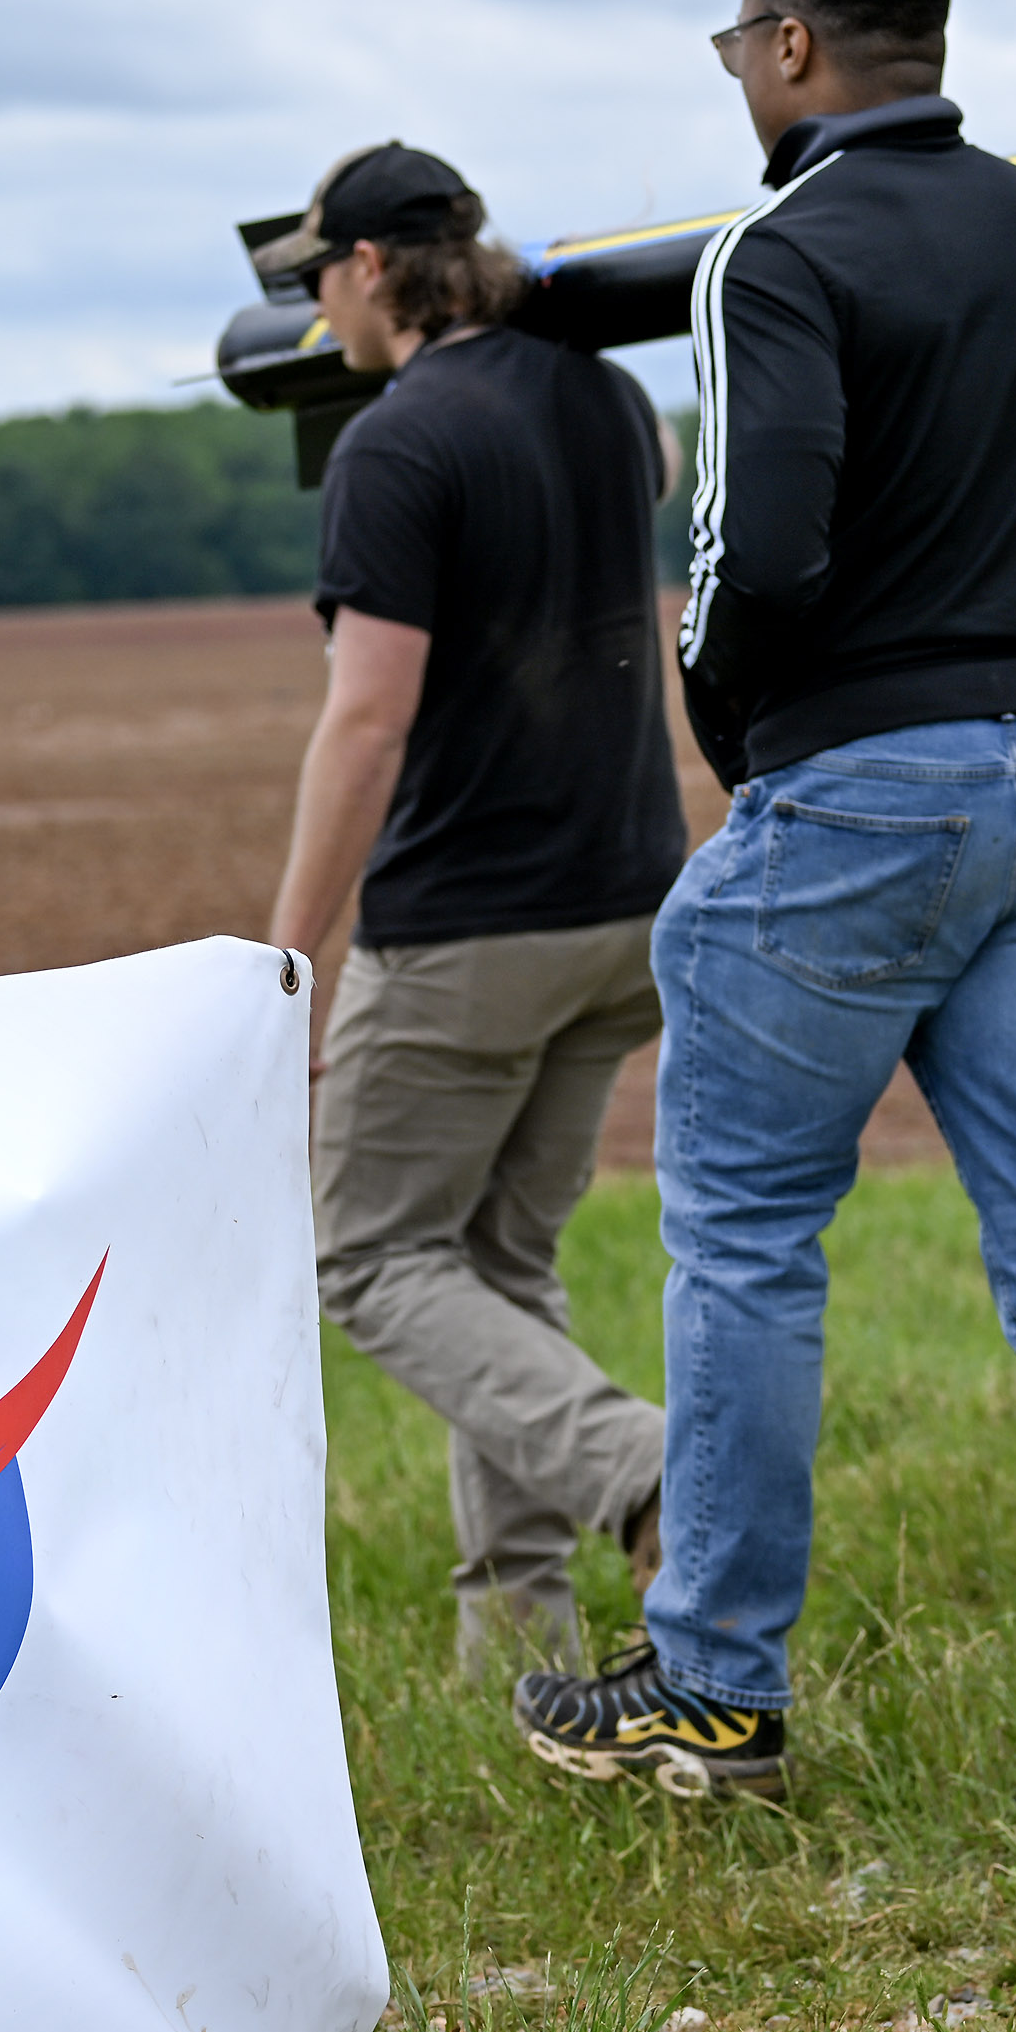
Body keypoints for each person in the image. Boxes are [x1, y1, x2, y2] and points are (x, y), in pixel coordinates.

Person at [509, 0, 1016, 1804]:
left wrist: (752, 734)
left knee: (748, 1245)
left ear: (788, 43)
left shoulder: (770, 255)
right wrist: (1007, 649)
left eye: (736, 43)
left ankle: (714, 1687)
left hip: (855, 785)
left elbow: (753, 553)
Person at [257, 141, 694, 1677]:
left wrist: (290, 956)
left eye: (319, 277)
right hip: (628, 907)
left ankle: (646, 1469)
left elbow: (367, 719)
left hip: (468, 929)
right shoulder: (609, 403)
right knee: (500, 1264)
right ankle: (515, 1637)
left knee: (369, 1257)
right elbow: (649, 480)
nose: (313, 308)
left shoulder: (395, 445)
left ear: (372, 267)